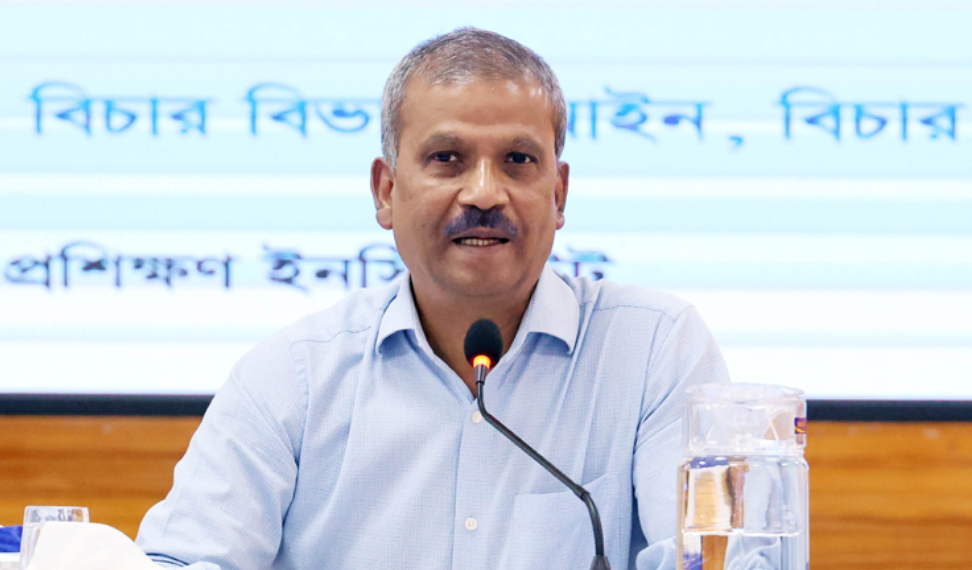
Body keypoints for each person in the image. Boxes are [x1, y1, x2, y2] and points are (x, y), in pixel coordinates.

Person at [136, 27, 729, 570]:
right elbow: (183, 559)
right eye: (448, 159)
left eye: (518, 161)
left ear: (559, 193)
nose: (485, 193)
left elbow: (707, 558)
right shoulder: (295, 376)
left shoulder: (653, 350)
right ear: (386, 191)